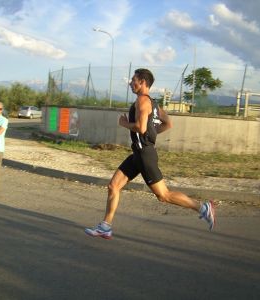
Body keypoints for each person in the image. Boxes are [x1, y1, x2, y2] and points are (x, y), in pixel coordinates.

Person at [85, 68, 215, 239]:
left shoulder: (142, 101)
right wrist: (150, 134)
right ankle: (105, 227)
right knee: (113, 186)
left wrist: (125, 123)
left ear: (143, 82)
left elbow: (141, 127)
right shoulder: (154, 104)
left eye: (134, 80)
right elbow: (167, 124)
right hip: (138, 153)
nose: (130, 83)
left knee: (163, 195)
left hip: (145, 155)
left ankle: (202, 207)